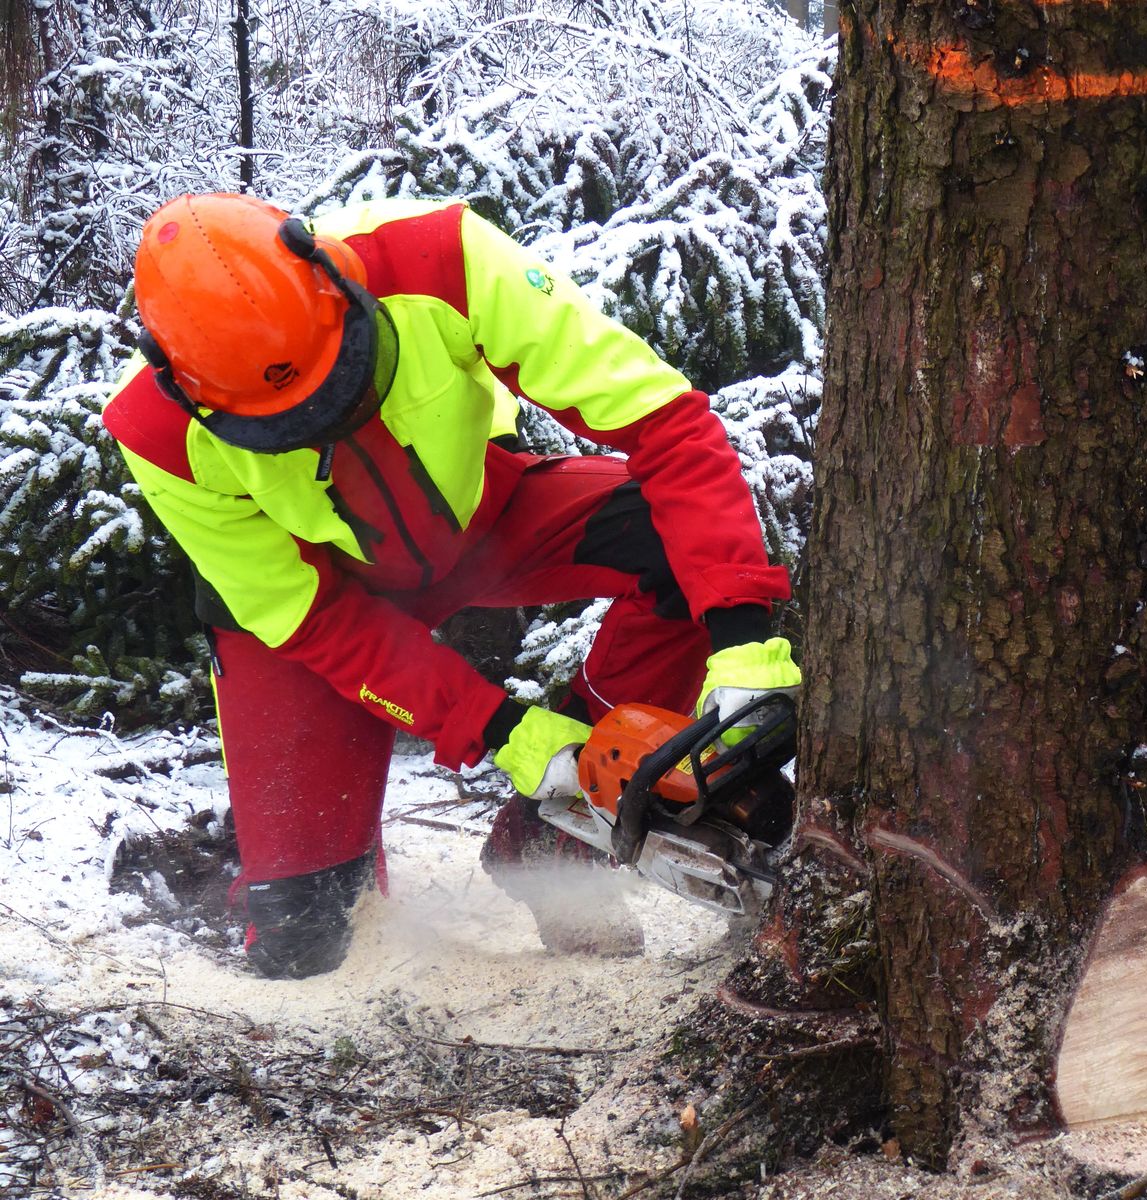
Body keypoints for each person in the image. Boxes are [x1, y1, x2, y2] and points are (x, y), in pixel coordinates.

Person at [103, 192, 801, 979]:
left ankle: (554, 835)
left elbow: (663, 418)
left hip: (480, 521)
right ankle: (306, 873)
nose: (332, 419)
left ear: (332, 277)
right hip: (316, 607)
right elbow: (312, 619)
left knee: (678, 549)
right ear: (186, 388)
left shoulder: (443, 259)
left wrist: (743, 635)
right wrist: (505, 730)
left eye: (343, 386)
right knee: (307, 941)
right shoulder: (154, 433)